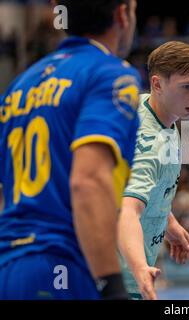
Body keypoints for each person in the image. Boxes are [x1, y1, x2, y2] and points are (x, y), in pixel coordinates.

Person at [0, 0, 141, 299]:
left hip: (9, 269)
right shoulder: (111, 74)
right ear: (121, 15)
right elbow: (87, 182)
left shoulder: (20, 85)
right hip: (64, 266)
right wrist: (111, 285)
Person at [118, 41, 189, 300]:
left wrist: (168, 222)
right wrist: (139, 269)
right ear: (157, 84)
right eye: (187, 87)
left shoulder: (153, 110)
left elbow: (136, 186)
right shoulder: (150, 142)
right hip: (119, 281)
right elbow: (127, 209)